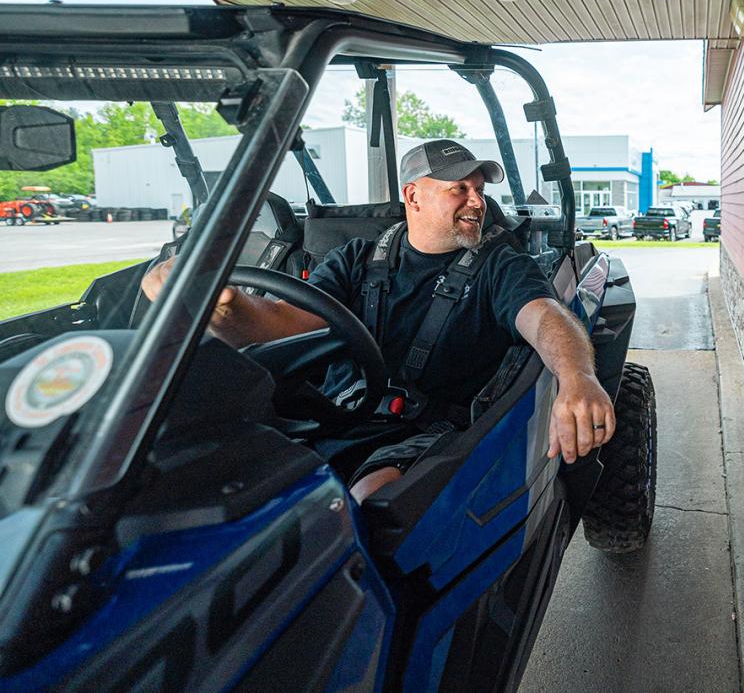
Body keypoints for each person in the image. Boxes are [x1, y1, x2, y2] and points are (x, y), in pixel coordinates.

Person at [141, 140, 615, 503]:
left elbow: (546, 316)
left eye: (479, 190)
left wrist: (577, 377)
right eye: (460, 190)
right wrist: (225, 307)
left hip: (424, 433)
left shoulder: (500, 264)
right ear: (413, 196)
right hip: (333, 414)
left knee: (369, 504)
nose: (477, 202)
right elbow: (288, 321)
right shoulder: (357, 258)